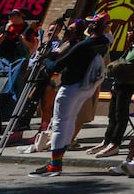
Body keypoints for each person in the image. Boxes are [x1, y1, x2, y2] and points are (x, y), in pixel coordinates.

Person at [30, 12, 109, 177]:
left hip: (71, 87)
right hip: (84, 88)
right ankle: (57, 161)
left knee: (59, 123)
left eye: (90, 23)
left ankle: (54, 165)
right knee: (69, 121)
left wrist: (44, 59)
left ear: (92, 26)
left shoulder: (84, 45)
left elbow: (55, 66)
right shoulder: (103, 42)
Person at [92, 22, 134, 158]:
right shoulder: (132, 47)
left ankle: (115, 143)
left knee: (120, 115)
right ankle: (107, 141)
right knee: (112, 114)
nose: (128, 34)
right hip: (118, 83)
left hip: (127, 85)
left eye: (131, 32)